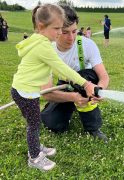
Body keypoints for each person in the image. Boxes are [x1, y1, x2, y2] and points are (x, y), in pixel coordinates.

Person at [11, 3, 96, 171]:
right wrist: (85, 83)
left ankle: (36, 147)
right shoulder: (43, 45)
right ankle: (34, 157)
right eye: (57, 28)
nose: (59, 32)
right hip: (26, 93)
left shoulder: (37, 40)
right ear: (42, 26)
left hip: (22, 89)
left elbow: (55, 69)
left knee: (33, 123)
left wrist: (72, 80)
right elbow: (61, 67)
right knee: (34, 125)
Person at [41, 5, 109, 143]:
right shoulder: (45, 52)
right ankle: (68, 106)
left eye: (74, 31)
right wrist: (73, 97)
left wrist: (99, 89)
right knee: (54, 124)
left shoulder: (87, 44)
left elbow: (104, 76)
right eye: (65, 32)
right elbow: (46, 92)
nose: (71, 37)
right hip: (65, 86)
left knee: (83, 79)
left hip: (87, 81)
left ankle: (93, 127)